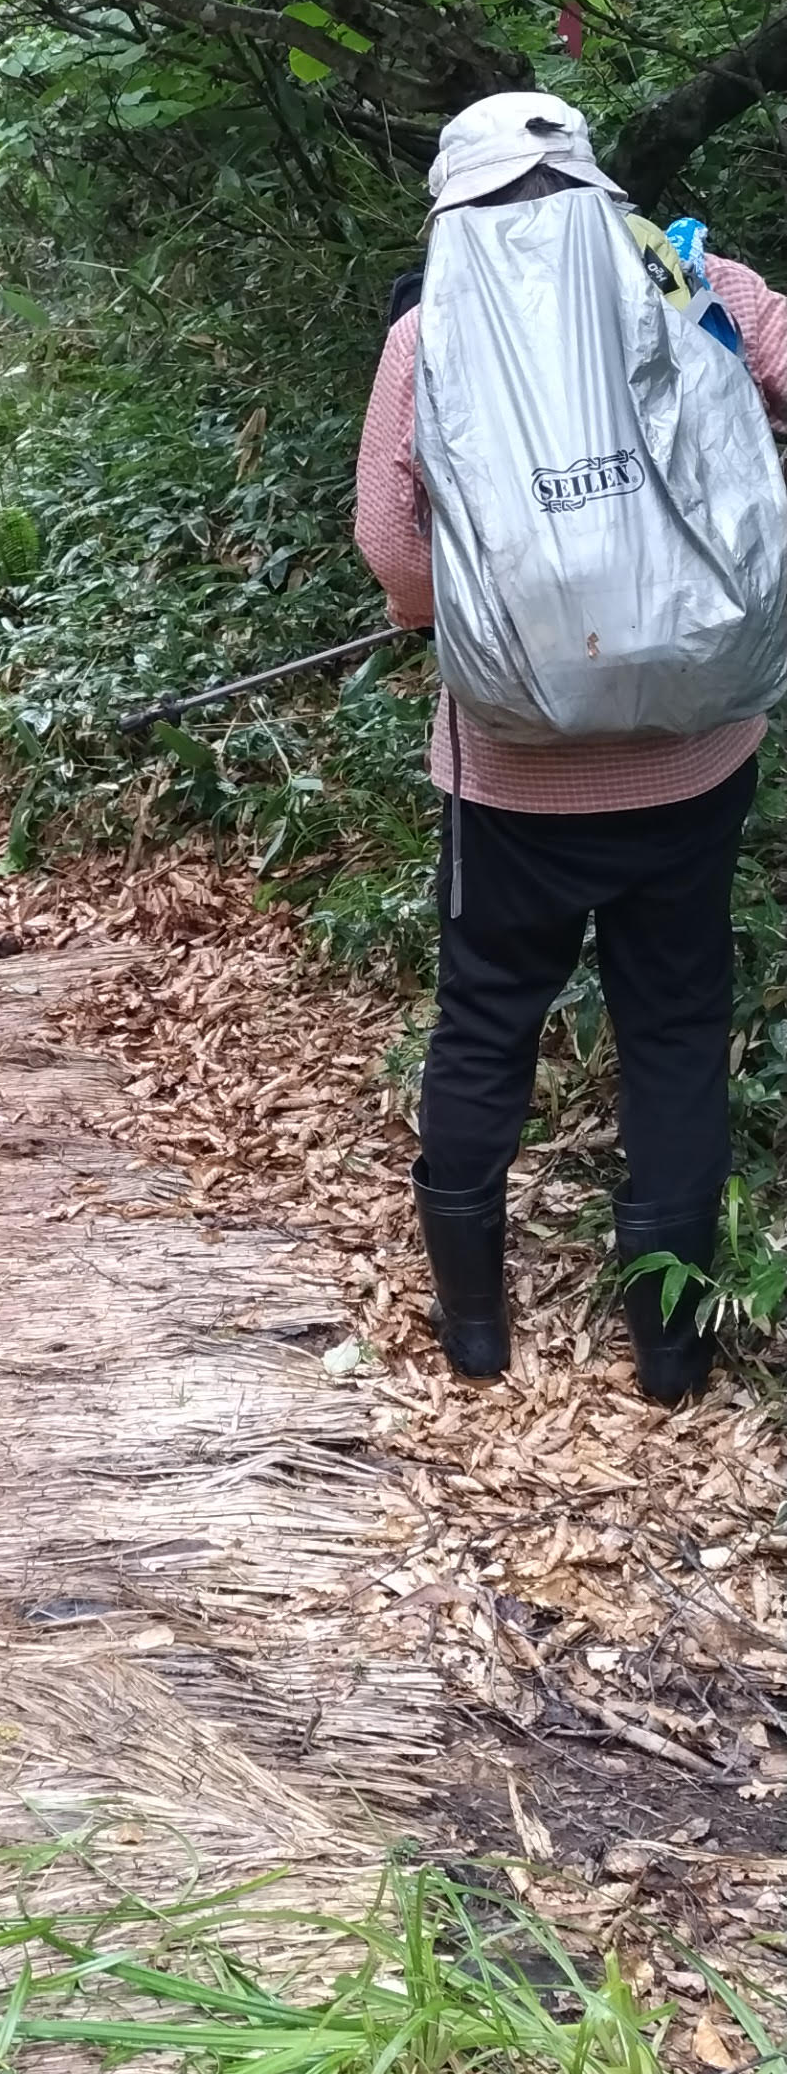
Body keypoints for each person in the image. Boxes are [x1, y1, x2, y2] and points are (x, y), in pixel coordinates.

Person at [355, 91, 787, 1406]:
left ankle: (475, 1332)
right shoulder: (695, 281)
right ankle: (670, 1352)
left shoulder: (428, 335)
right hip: (696, 755)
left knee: (487, 1020)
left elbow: (390, 544)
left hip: (510, 775)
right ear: (595, 184)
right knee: (676, 1029)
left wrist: (465, 618)